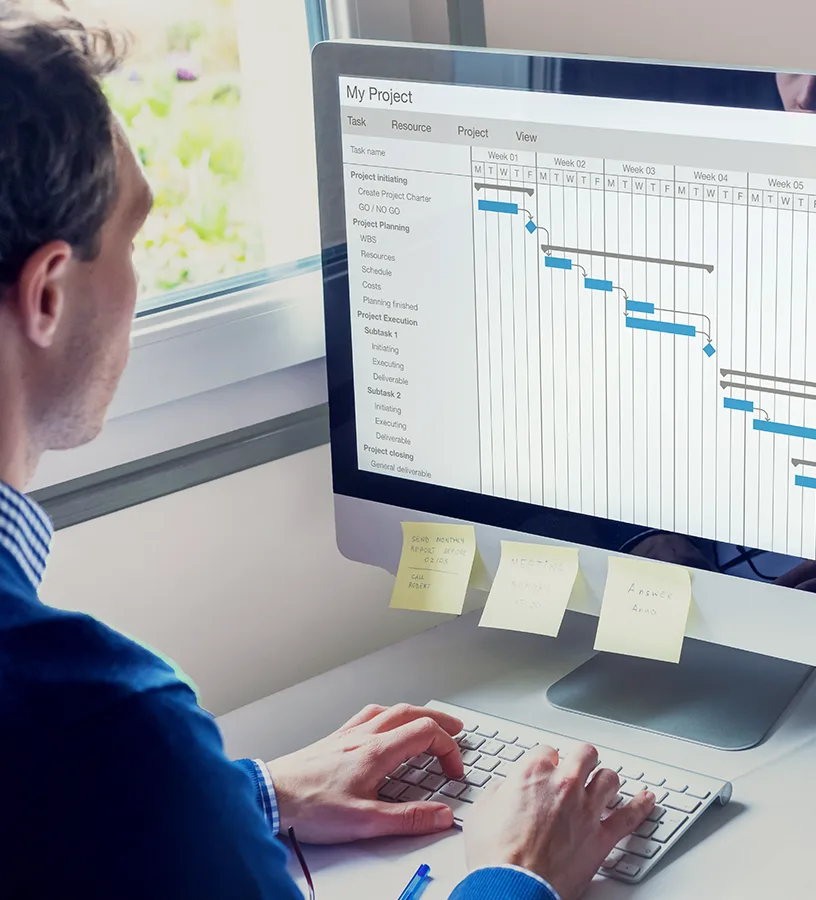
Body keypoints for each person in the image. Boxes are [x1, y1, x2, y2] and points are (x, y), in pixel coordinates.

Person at [0, 7, 653, 899]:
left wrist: (246, 800)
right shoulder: (106, 729)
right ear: (45, 294)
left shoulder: (99, 755)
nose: (138, 284)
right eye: (132, 238)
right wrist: (512, 876)